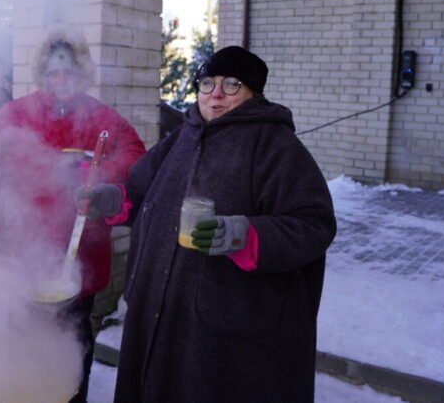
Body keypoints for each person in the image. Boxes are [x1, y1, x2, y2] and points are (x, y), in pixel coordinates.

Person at [81, 46, 337, 402]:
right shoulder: (183, 137)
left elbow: (313, 224)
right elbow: (140, 192)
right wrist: (112, 200)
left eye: (231, 84)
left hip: (221, 329)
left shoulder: (275, 145)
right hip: (157, 311)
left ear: (253, 94)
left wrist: (242, 235)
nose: (215, 94)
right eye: (207, 83)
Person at [0, 27, 146, 402]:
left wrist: (97, 175)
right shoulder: (16, 114)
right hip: (22, 249)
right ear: (42, 74)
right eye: (54, 73)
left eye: (69, 73)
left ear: (82, 74)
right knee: (22, 341)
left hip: (79, 255)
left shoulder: (102, 118)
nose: (61, 81)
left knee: (73, 343)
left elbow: (136, 155)